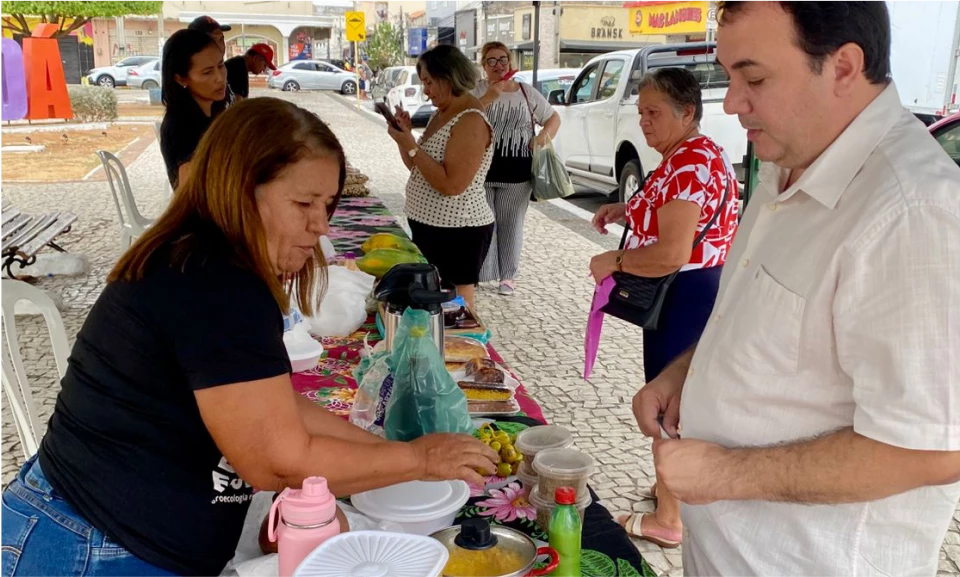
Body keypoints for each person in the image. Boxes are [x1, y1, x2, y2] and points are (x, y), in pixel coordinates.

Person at [0, 98, 499, 577]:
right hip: (85, 545)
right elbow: (276, 462)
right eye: (304, 202)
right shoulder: (212, 281)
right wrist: (418, 458)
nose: (320, 225)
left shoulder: (212, 262)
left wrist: (382, 451)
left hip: (102, 533)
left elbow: (273, 406)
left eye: (327, 204)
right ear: (238, 190)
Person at [633, 0, 960, 575]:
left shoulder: (918, 214)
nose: (732, 103)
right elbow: (754, 315)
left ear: (843, 67)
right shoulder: (788, 162)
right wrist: (685, 372)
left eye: (753, 77)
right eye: (730, 76)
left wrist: (724, 473)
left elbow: (930, 451)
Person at [589, 67, 739, 549]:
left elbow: (672, 251)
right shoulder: (688, 154)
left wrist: (612, 260)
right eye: (641, 113)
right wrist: (622, 210)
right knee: (676, 399)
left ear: (687, 112)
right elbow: (665, 210)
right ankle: (671, 488)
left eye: (654, 113)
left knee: (669, 405)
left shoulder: (691, 162)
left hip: (686, 294)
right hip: (690, 290)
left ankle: (669, 519)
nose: (645, 123)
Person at [388, 45, 495, 311]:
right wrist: (405, 139)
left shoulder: (470, 120)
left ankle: (460, 349)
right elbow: (418, 168)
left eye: (429, 82)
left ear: (449, 77)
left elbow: (452, 185)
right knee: (432, 300)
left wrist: (411, 144)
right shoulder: (442, 112)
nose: (426, 90)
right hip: (430, 225)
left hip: (459, 229)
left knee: (455, 308)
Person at [474, 42, 561, 296]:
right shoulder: (477, 91)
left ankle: (508, 276)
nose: (498, 65)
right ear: (483, 65)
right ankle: (481, 273)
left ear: (511, 62)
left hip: (517, 173)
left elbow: (553, 117)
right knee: (483, 223)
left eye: (503, 59)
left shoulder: (526, 92)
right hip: (481, 172)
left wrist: (541, 139)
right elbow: (465, 116)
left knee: (511, 223)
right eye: (491, 60)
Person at [159, 29, 227, 189]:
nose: (219, 77)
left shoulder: (213, 112)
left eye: (221, 65)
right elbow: (191, 191)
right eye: (207, 72)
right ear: (181, 78)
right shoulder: (181, 125)